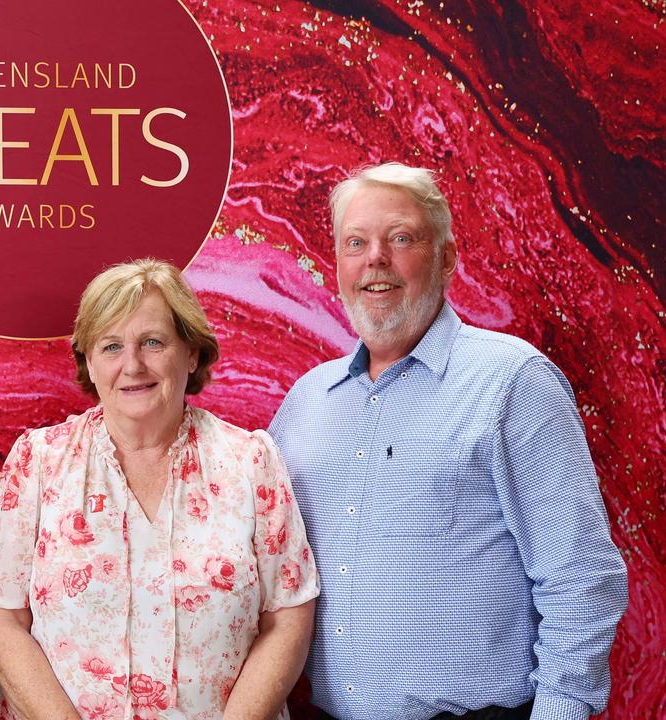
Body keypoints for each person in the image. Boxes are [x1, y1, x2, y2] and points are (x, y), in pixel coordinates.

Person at [269, 162, 628, 720]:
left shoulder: (512, 380)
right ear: (336, 264)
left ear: (447, 258)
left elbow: (580, 578)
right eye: (355, 242)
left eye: (402, 238)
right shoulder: (305, 404)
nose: (375, 260)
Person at [0, 259, 319, 720]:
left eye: (153, 343)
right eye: (111, 346)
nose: (132, 365)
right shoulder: (39, 462)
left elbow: (287, 617)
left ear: (191, 353)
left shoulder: (251, 461)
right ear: (89, 362)